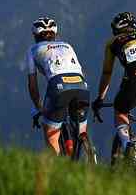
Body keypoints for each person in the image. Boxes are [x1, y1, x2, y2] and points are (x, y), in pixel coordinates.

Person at [90, 12, 136, 160]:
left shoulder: (113, 42)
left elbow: (107, 73)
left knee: (121, 110)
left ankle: (127, 145)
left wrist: (100, 98)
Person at [24, 16, 91, 155]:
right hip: (81, 85)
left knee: (51, 133)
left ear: (35, 36)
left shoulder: (32, 50)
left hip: (58, 86)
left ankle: (59, 170)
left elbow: (32, 85)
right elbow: (80, 71)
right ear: (55, 34)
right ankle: (90, 154)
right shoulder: (67, 45)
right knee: (81, 130)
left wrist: (38, 108)